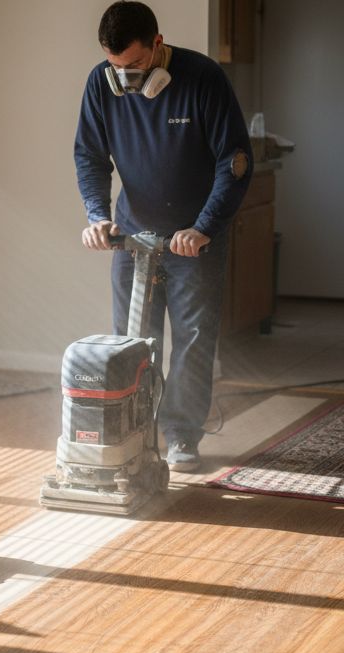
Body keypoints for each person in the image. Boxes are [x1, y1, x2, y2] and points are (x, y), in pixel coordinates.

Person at [74, 1, 253, 472]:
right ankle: (133, 429)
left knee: (192, 337)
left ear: (157, 44)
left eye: (134, 65)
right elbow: (90, 156)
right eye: (116, 66)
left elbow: (234, 163)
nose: (125, 77)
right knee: (133, 339)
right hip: (133, 232)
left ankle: (181, 435)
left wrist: (204, 228)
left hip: (194, 237)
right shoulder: (101, 82)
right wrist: (97, 216)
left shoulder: (203, 77)